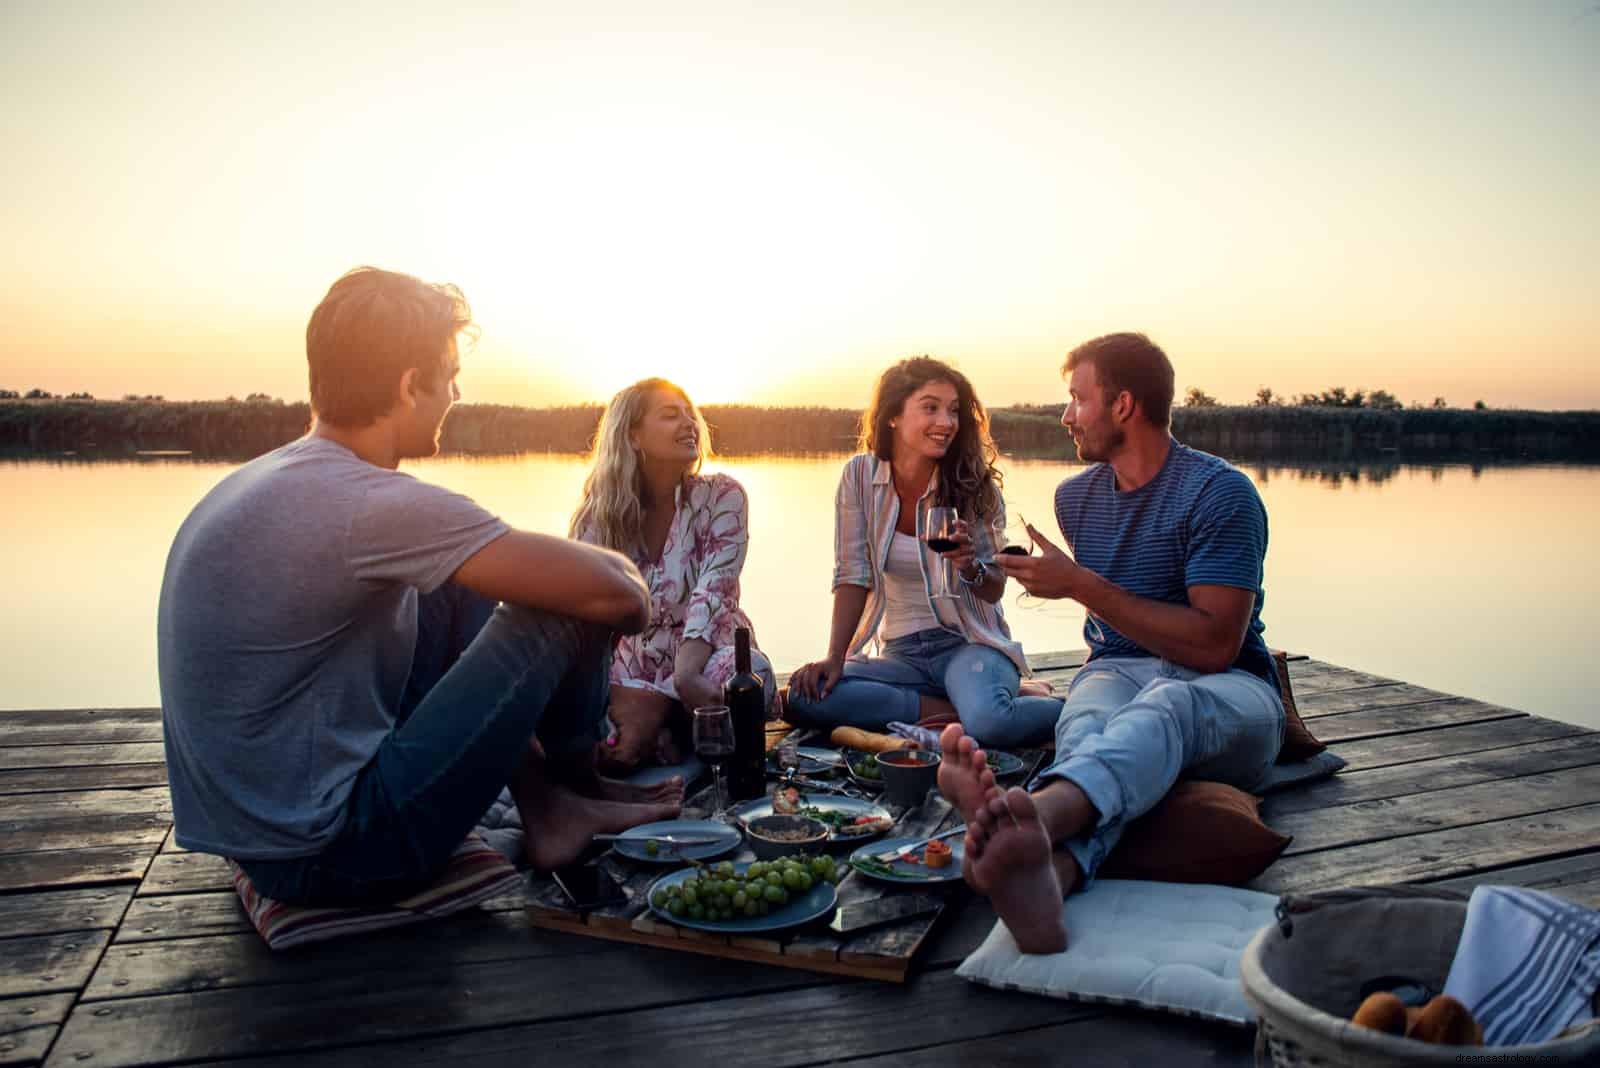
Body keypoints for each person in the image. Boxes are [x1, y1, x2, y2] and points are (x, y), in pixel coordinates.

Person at [157, 267, 680, 907]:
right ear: (410, 385)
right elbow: (621, 594)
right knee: (567, 604)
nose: (455, 394)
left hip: (263, 836)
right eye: (450, 375)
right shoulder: (367, 503)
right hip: (334, 853)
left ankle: (551, 803)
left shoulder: (266, 480)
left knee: (455, 585)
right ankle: (578, 788)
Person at [938, 332, 1285, 952]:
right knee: (1086, 722)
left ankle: (1036, 817)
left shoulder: (1220, 494)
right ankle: (1053, 874)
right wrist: (1033, 579)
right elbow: (1094, 602)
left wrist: (1081, 586)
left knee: (1168, 706)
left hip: (1233, 694)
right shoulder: (1077, 498)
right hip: (1115, 670)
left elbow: (1213, 647)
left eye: (1077, 399)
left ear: (1123, 405)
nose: (1066, 415)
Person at [786, 357, 1061, 749]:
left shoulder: (974, 487)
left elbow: (994, 588)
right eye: (930, 407)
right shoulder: (859, 478)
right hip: (902, 655)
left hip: (969, 645)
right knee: (802, 696)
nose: (946, 422)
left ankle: (1070, 708)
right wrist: (834, 657)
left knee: (992, 725)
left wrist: (969, 567)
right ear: (894, 415)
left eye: (953, 411)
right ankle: (947, 708)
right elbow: (852, 574)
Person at [569, 377, 775, 771]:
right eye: (670, 415)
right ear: (633, 436)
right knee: (572, 692)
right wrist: (610, 691)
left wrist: (684, 677)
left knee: (753, 676)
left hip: (706, 655)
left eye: (689, 414)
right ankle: (665, 722)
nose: (689, 423)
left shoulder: (723, 496)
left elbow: (715, 592)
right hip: (630, 671)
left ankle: (652, 722)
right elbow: (585, 614)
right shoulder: (598, 518)